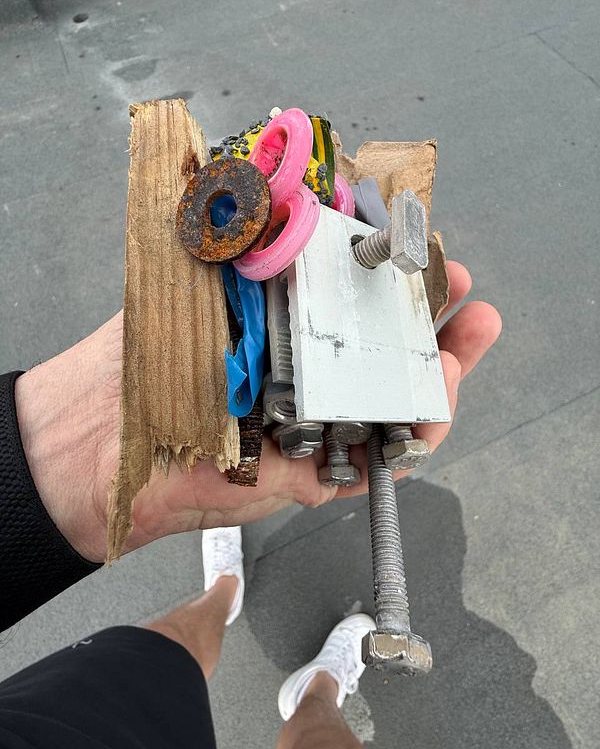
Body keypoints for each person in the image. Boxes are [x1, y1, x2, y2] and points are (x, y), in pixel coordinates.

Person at [0, 261, 501, 748]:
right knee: (156, 669)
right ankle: (312, 685)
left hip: (56, 721)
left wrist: (32, 478)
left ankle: (225, 598)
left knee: (156, 658)